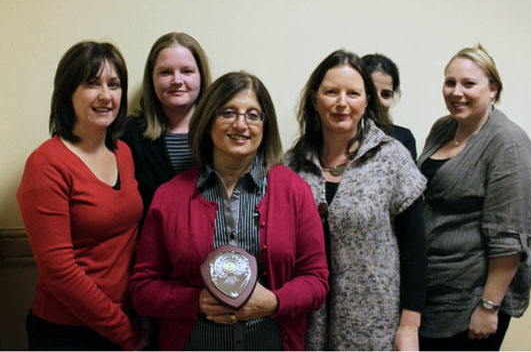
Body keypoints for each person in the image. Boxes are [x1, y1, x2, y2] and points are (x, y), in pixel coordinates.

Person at [129, 71, 329, 351]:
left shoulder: (294, 191)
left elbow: (316, 281)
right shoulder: (169, 196)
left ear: (265, 125)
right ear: (208, 120)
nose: (240, 124)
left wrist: (274, 302)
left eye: (253, 115)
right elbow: (143, 289)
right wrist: (195, 302)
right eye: (228, 113)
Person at [286, 49, 427, 350]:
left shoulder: (393, 159)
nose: (342, 103)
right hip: (304, 325)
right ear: (314, 100)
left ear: (366, 102)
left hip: (375, 327)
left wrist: (409, 327)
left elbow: (415, 248)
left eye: (353, 93)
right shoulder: (291, 165)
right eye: (331, 92)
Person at [17, 41, 148, 350]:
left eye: (113, 84)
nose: (105, 95)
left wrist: (139, 312)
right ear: (67, 92)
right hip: (68, 331)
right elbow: (59, 271)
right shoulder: (46, 163)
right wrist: (123, 331)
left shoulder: (124, 153)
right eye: (92, 83)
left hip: (128, 318)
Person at [417, 44, 531, 351]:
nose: (456, 92)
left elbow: (510, 237)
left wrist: (489, 307)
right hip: (435, 288)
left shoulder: (508, 145)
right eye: (450, 82)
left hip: (473, 297)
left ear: (493, 89)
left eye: (469, 84)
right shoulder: (444, 128)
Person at [121, 31, 211, 220]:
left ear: (201, 76)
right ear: (151, 78)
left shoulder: (221, 131)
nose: (177, 80)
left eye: (187, 71)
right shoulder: (129, 135)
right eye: (166, 72)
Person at [362, 53, 417, 159]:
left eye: (386, 95)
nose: (377, 101)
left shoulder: (403, 138)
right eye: (369, 91)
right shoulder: (336, 135)